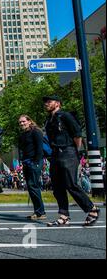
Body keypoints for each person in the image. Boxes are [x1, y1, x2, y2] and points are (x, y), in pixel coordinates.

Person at [43, 95, 100, 227]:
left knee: (71, 184)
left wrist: (74, 151)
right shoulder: (49, 120)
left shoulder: (65, 116)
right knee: (57, 187)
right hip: (55, 155)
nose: (46, 104)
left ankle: (92, 209)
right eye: (45, 102)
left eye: (49, 101)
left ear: (57, 103)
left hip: (68, 152)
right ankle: (64, 216)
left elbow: (77, 134)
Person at [18, 115, 46, 220]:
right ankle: (38, 211)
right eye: (20, 122)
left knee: (33, 186)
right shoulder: (23, 135)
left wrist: (36, 162)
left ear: (29, 121)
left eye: (23, 121)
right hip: (26, 162)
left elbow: (39, 148)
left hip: (34, 162)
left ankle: (40, 212)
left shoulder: (36, 131)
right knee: (30, 187)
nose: (21, 124)